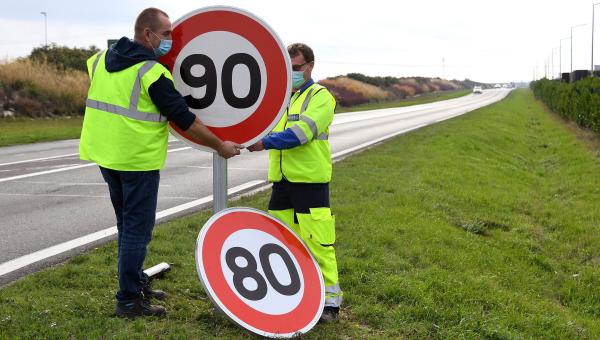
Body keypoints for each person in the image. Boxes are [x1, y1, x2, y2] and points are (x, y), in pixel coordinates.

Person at [79, 7, 242, 318]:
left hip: (105, 155)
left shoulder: (100, 59)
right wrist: (220, 145)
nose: (171, 39)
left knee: (127, 226)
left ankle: (136, 281)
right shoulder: (152, 73)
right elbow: (185, 120)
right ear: (147, 34)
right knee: (137, 231)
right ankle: (128, 301)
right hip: (136, 161)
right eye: (166, 33)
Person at [247, 43, 342, 322]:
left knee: (318, 243)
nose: (292, 73)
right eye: (287, 68)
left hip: (310, 182)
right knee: (280, 242)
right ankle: (292, 295)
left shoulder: (320, 97)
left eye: (297, 68)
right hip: (282, 182)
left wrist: (265, 142)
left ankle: (330, 302)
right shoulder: (281, 98)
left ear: (310, 67)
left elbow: (302, 134)